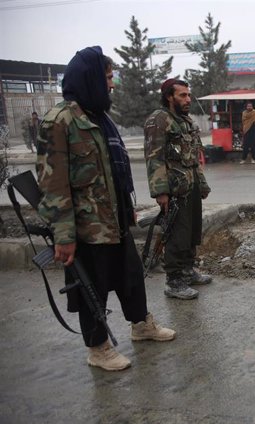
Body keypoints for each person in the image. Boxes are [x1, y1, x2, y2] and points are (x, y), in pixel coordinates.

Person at [35, 46, 175, 372]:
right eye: (108, 78)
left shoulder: (100, 118)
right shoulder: (60, 122)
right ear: (90, 79)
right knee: (91, 290)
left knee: (131, 277)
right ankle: (98, 348)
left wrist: (127, 210)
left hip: (113, 219)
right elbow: (53, 187)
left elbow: (113, 172)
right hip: (86, 228)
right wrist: (64, 236)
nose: (112, 85)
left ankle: (141, 325)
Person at [145, 79, 212, 300]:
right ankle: (173, 281)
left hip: (190, 186)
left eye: (188, 95)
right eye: (182, 95)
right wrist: (161, 192)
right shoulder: (159, 120)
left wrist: (201, 183)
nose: (188, 100)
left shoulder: (186, 122)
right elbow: (154, 159)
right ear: (169, 97)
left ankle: (187, 271)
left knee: (192, 231)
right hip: (174, 190)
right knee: (176, 235)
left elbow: (193, 158)